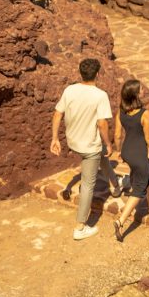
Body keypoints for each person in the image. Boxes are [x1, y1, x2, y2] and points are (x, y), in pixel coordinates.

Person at [51, 58, 114, 241]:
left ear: (81, 73)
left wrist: (55, 138)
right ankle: (80, 227)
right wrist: (109, 143)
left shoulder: (69, 90)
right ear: (97, 74)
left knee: (101, 155)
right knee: (87, 185)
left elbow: (57, 113)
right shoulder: (100, 95)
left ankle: (116, 185)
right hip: (89, 147)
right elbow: (102, 124)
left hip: (73, 142)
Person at [112, 78, 149, 241]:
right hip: (139, 155)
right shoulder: (144, 113)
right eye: (140, 89)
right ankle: (120, 221)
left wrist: (119, 151)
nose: (143, 90)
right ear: (135, 94)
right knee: (139, 190)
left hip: (127, 151)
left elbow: (117, 135)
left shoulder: (121, 111)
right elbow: (148, 138)